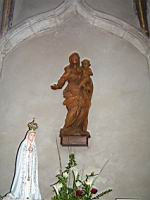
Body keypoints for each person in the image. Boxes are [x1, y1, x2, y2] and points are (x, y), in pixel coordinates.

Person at [51, 53, 93, 136]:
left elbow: (87, 79)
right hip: (72, 92)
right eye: (73, 59)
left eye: (77, 59)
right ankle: (67, 128)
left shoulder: (82, 70)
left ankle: (78, 128)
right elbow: (63, 79)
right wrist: (58, 86)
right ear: (70, 60)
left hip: (82, 92)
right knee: (74, 110)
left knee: (83, 110)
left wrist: (87, 86)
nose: (75, 60)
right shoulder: (69, 70)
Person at [3, 119, 42, 200]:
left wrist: (32, 153)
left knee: (31, 184)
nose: (32, 137)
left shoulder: (34, 147)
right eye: (31, 135)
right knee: (23, 184)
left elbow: (35, 159)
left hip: (31, 171)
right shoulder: (23, 145)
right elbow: (21, 158)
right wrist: (28, 151)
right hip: (24, 170)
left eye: (34, 135)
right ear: (28, 135)